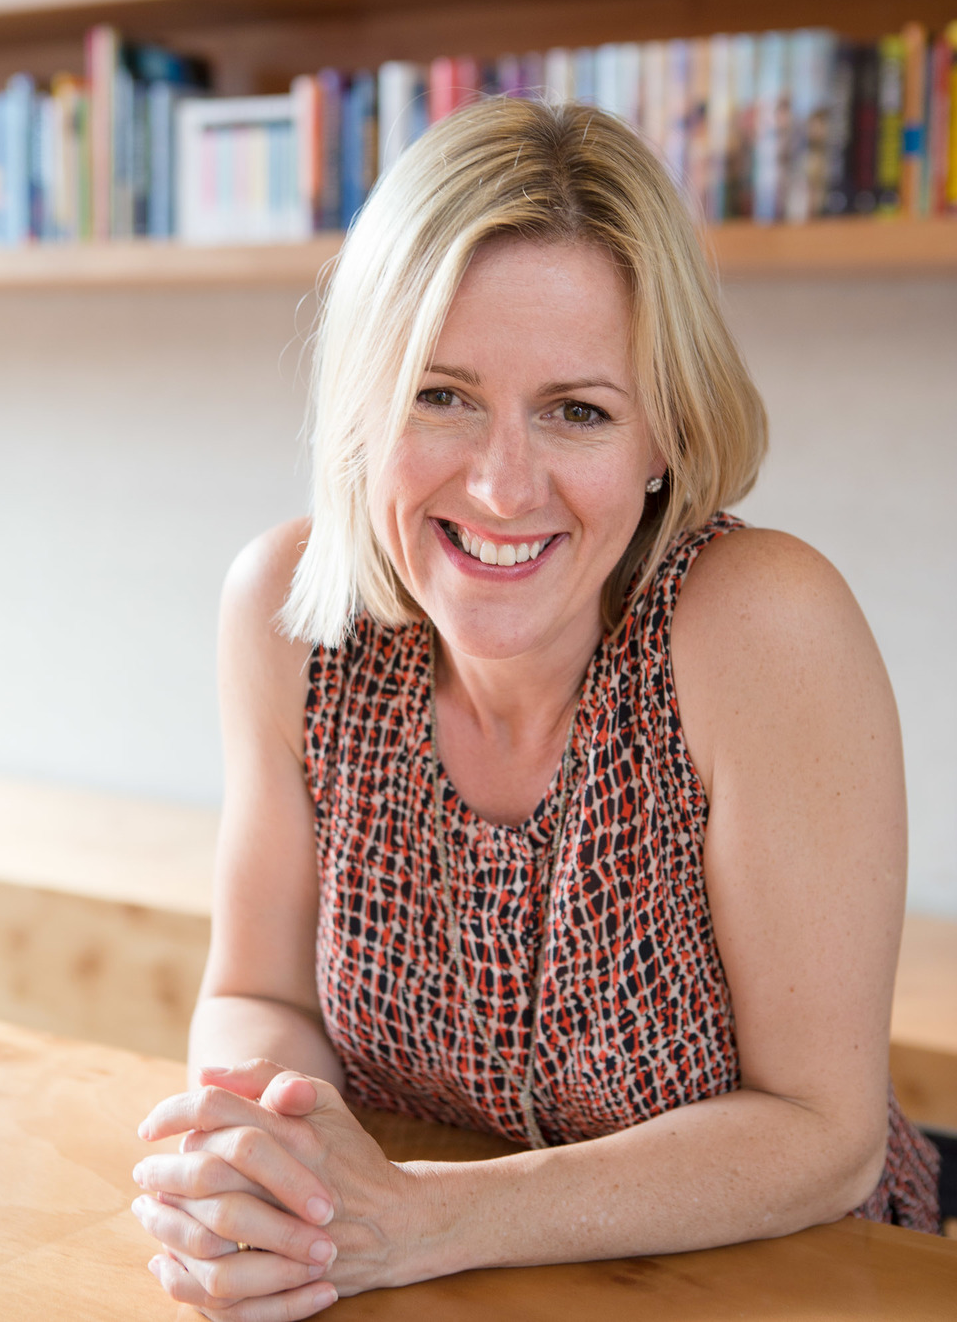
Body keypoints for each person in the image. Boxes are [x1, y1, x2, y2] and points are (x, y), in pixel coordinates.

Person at [131, 98, 941, 1319]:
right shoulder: (291, 617)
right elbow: (262, 996)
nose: (503, 486)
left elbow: (823, 1136)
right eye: (440, 394)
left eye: (578, 410)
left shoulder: (760, 625)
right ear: (362, 404)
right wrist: (273, 1173)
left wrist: (423, 1220)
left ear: (665, 433)